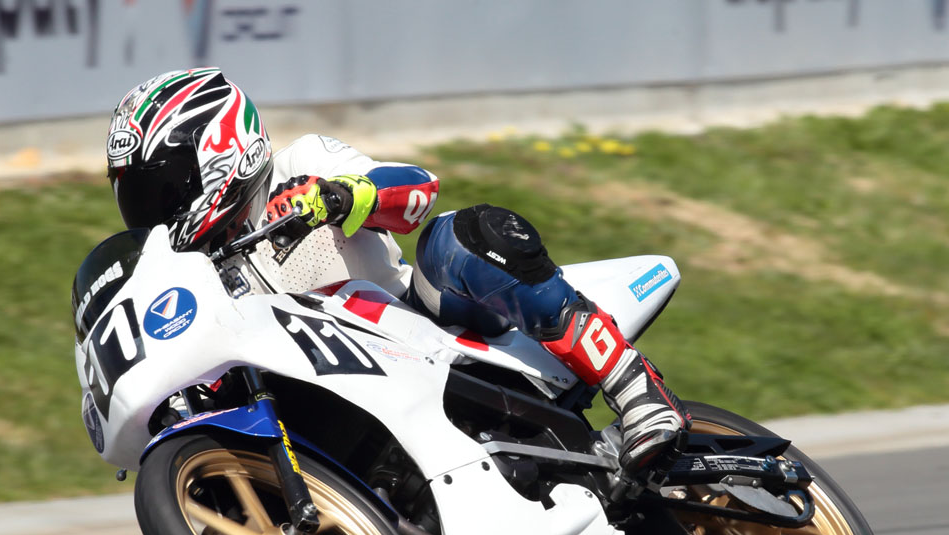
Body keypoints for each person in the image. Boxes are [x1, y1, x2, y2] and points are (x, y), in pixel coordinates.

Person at [105, 67, 689, 480]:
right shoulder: (195, 273)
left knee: (458, 237)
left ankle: (637, 391)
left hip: (422, 330)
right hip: (337, 400)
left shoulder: (301, 162)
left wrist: (338, 197)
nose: (155, 212)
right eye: (139, 198)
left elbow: (417, 191)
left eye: (165, 188)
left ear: (219, 151)